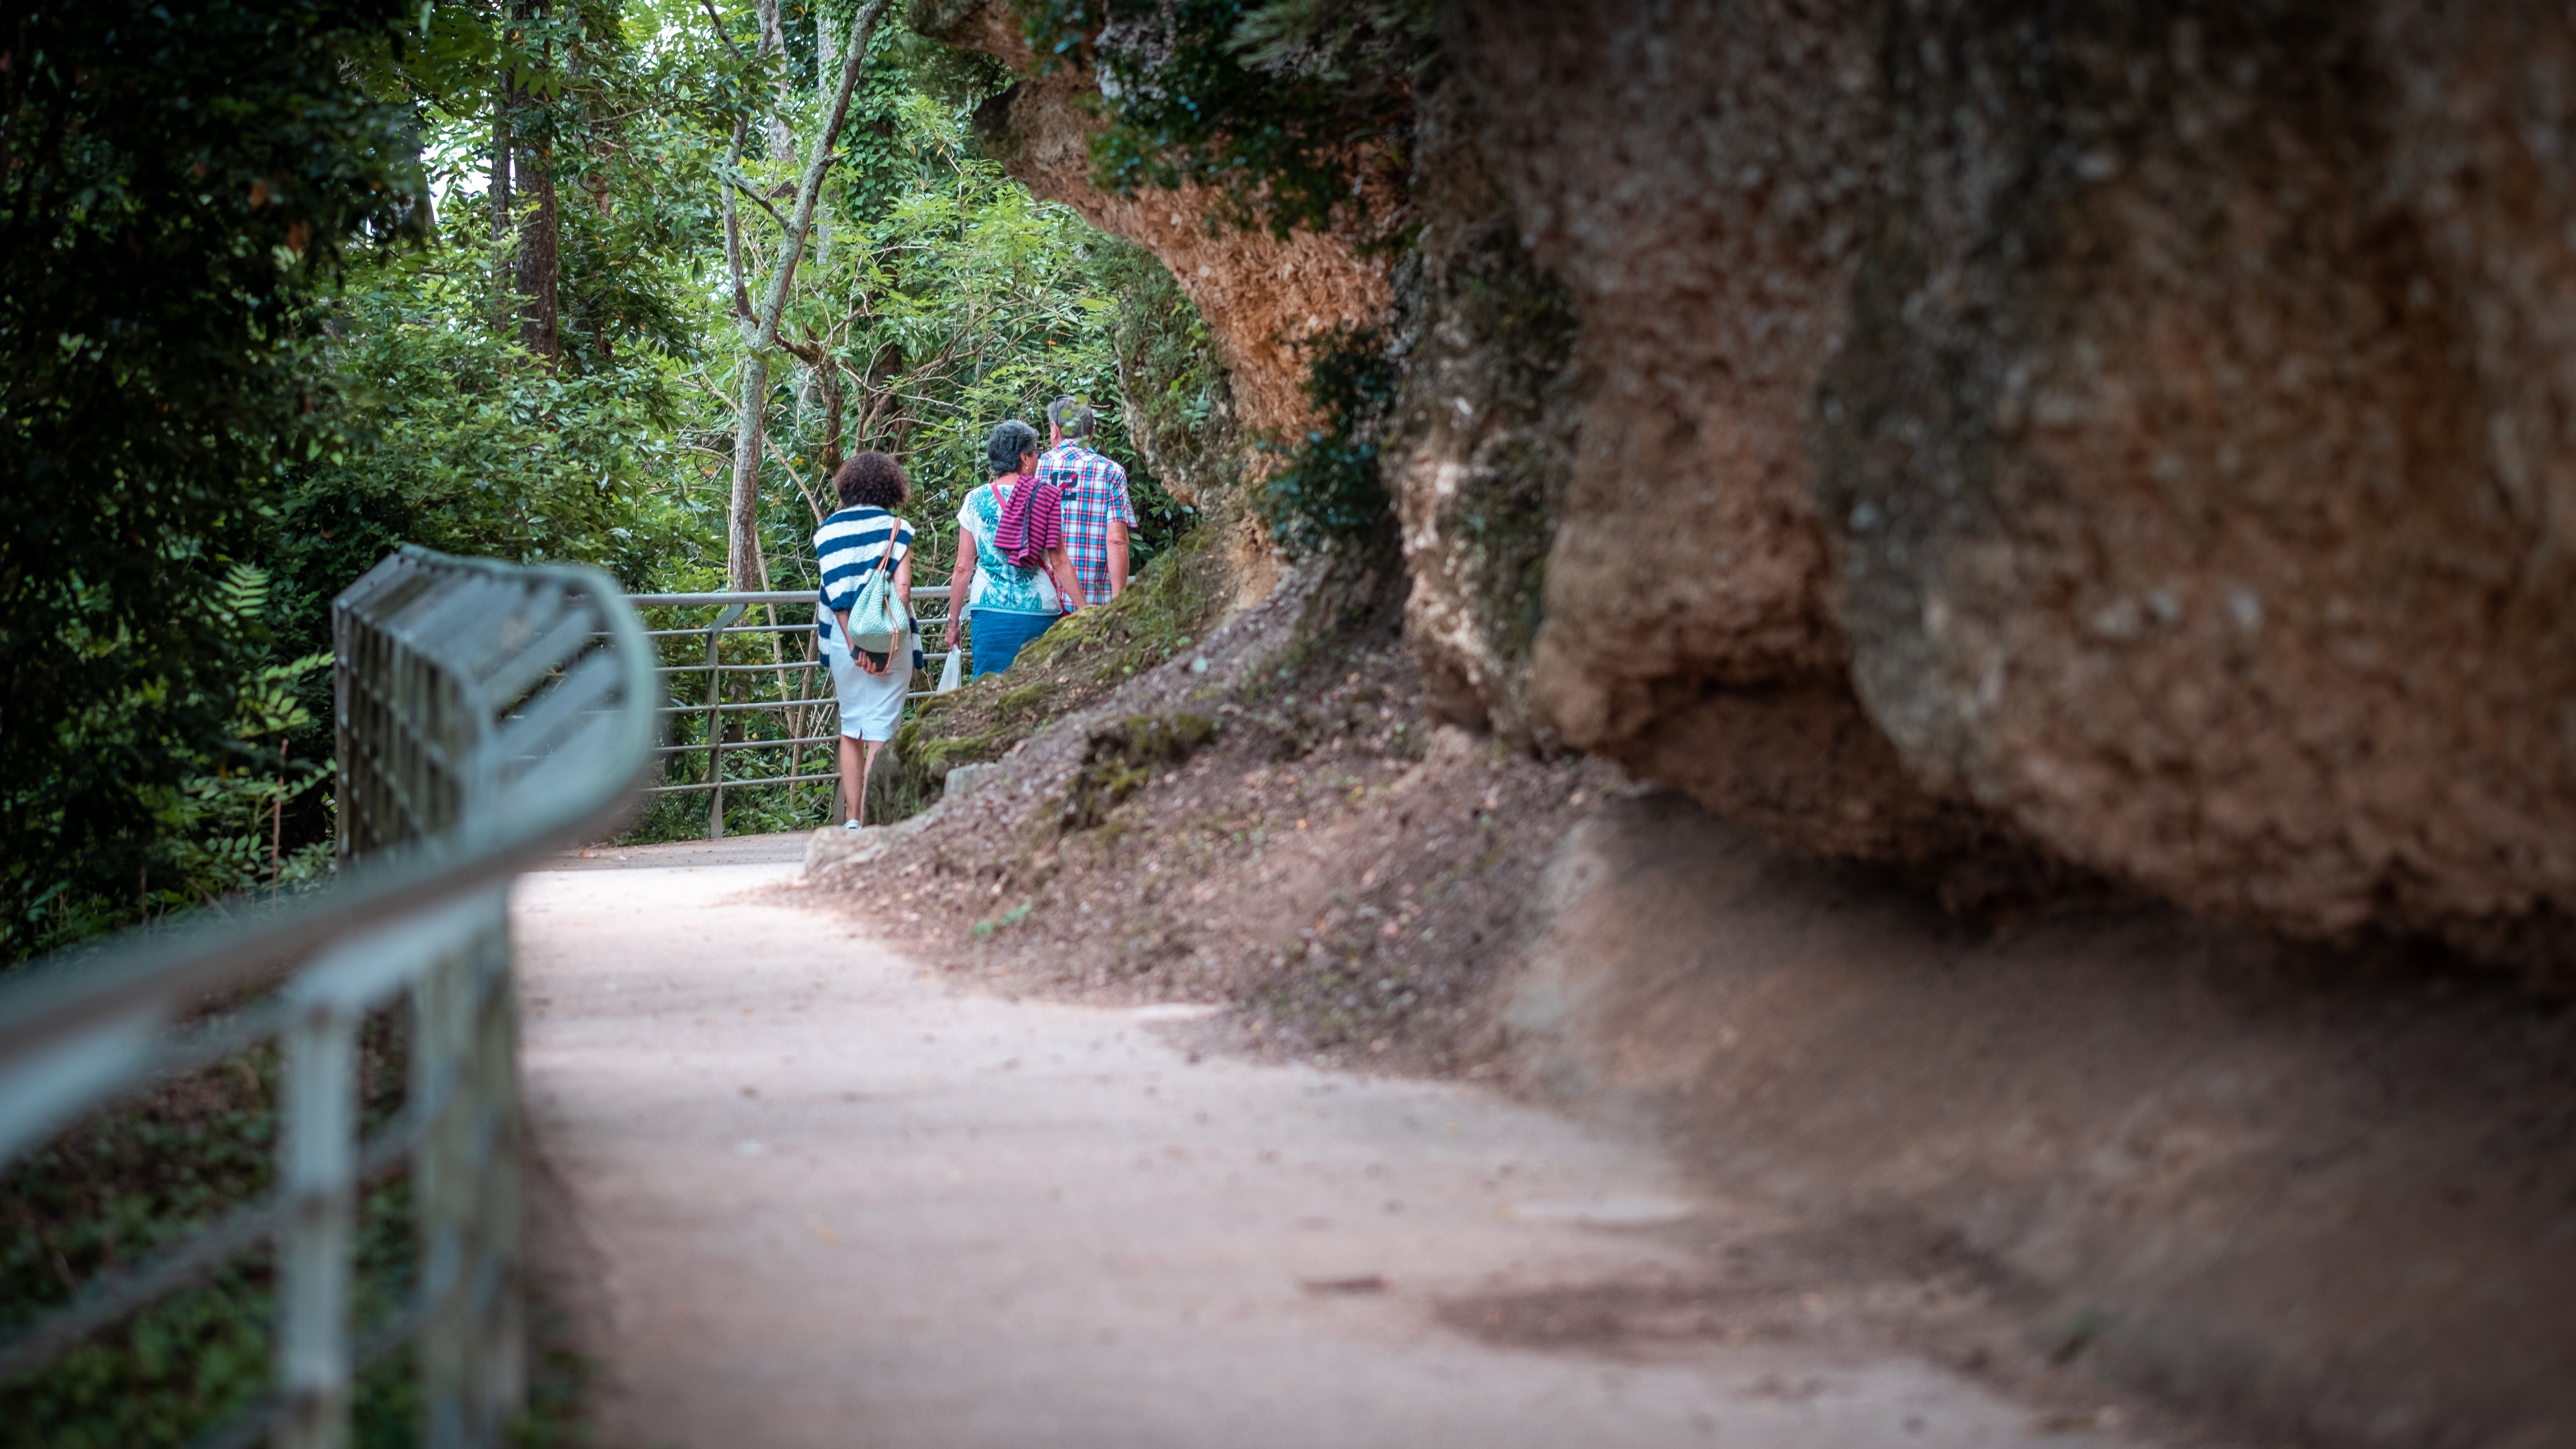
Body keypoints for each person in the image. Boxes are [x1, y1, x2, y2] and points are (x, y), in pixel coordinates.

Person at [817, 451, 915, 829]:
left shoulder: (827, 533)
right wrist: (882, 644)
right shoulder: (897, 529)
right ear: (890, 486)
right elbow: (903, 591)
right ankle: (874, 820)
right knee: (882, 729)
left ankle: (853, 817)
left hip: (844, 645)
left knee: (851, 726)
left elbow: (838, 598)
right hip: (891, 637)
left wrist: (856, 646)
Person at [946, 420, 1085, 681]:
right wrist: (1085, 610)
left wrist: (954, 623)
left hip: (989, 612)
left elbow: (963, 567)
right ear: (1025, 458)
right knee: (1037, 686)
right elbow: (1060, 563)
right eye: (1035, 453)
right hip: (1039, 611)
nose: (1038, 459)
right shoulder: (1046, 497)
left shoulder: (975, 499)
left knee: (987, 692)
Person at [1039, 396, 1136, 608]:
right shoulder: (1111, 472)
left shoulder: (1033, 470)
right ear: (1091, 434)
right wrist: (1117, 604)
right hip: (1092, 605)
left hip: (1041, 603)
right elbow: (1117, 541)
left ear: (1054, 429)